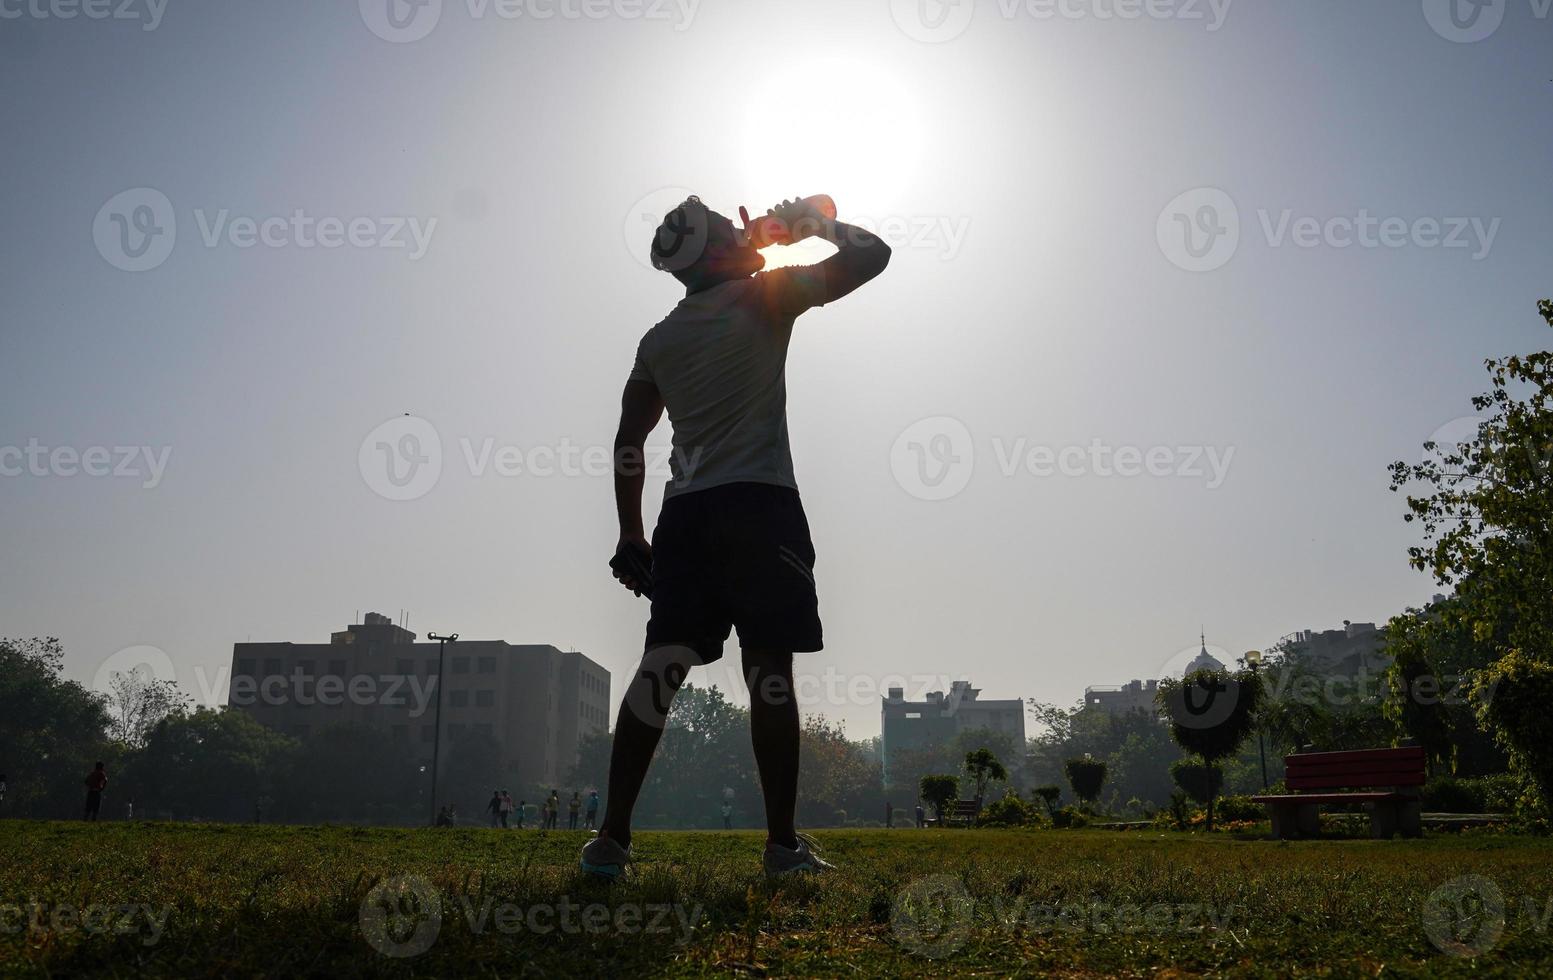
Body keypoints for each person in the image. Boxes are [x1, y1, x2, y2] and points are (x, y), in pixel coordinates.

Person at [581, 194, 890, 881]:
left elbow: (630, 441)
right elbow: (872, 255)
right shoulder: (765, 296)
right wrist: (809, 226)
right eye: (729, 227)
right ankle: (781, 848)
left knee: (661, 665)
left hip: (685, 516)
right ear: (714, 252)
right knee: (769, 671)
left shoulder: (658, 339)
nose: (743, 225)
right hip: (760, 506)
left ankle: (610, 842)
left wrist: (630, 531)